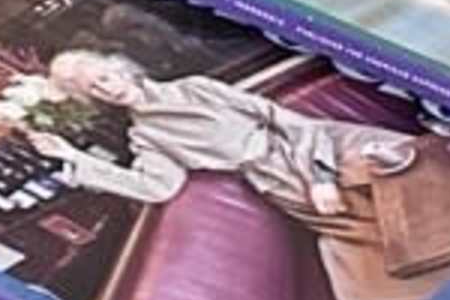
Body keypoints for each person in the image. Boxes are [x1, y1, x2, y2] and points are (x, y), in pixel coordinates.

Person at [25, 48, 420, 220]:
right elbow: (157, 188)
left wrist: (321, 176)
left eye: (105, 77)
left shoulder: (196, 86)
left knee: (414, 159)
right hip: (281, 179)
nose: (107, 88)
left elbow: (278, 116)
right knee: (397, 211)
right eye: (95, 89)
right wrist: (74, 157)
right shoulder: (146, 138)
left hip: (313, 141)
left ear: (122, 69)